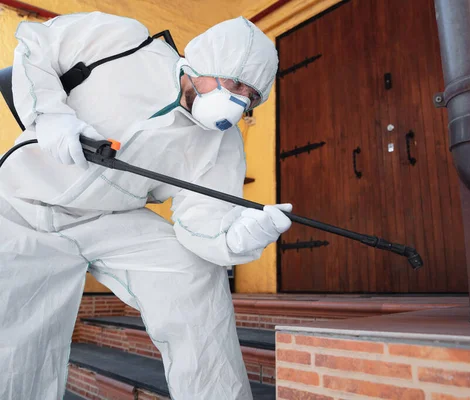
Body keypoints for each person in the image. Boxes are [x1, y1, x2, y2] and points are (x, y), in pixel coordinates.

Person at [0, 11, 291, 400]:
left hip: (109, 220)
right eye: (235, 83)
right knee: (15, 331)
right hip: (20, 200)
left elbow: (201, 222)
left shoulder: (220, 144)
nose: (238, 103)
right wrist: (50, 113)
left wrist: (236, 238)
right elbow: (38, 46)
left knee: (193, 270)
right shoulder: (123, 42)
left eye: (250, 96)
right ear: (207, 61)